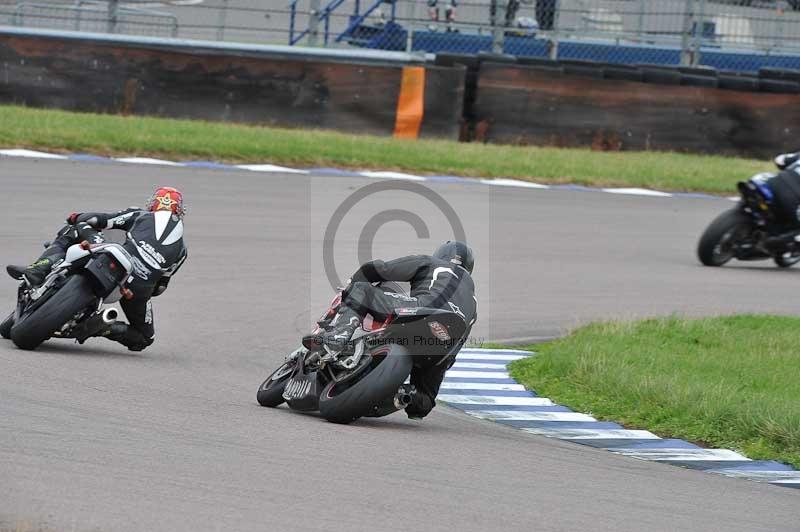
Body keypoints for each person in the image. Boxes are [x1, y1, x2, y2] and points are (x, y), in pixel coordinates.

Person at [306, 241, 477, 419]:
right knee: (424, 402)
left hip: (423, 311)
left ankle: (336, 339)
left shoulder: (434, 263)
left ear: (441, 255)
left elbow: (382, 269)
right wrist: (440, 365)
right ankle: (404, 396)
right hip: (444, 343)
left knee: (361, 290)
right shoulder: (473, 302)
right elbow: (457, 347)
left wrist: (354, 281)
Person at [6, 187, 188, 352]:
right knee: (144, 338)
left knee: (76, 228)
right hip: (137, 288)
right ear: (179, 210)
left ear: (153, 203)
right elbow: (160, 288)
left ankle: (39, 268)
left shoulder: (140, 214)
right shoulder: (182, 251)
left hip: (115, 254)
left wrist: (77, 216)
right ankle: (102, 326)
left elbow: (101, 220)